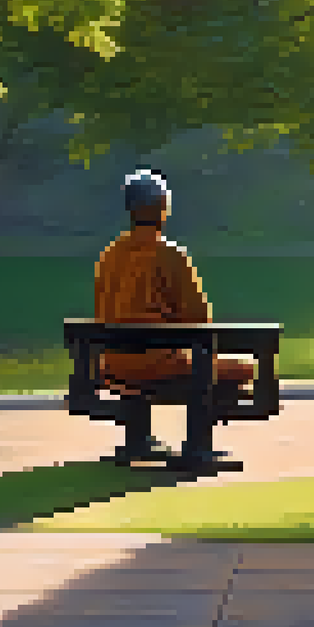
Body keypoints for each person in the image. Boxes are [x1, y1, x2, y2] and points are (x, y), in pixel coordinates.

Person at [93, 168, 255, 462]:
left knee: (146, 354)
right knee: (242, 369)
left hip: (114, 362)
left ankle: (138, 441)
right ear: (161, 209)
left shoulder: (110, 255)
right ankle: (197, 445)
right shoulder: (170, 254)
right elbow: (198, 319)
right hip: (157, 364)